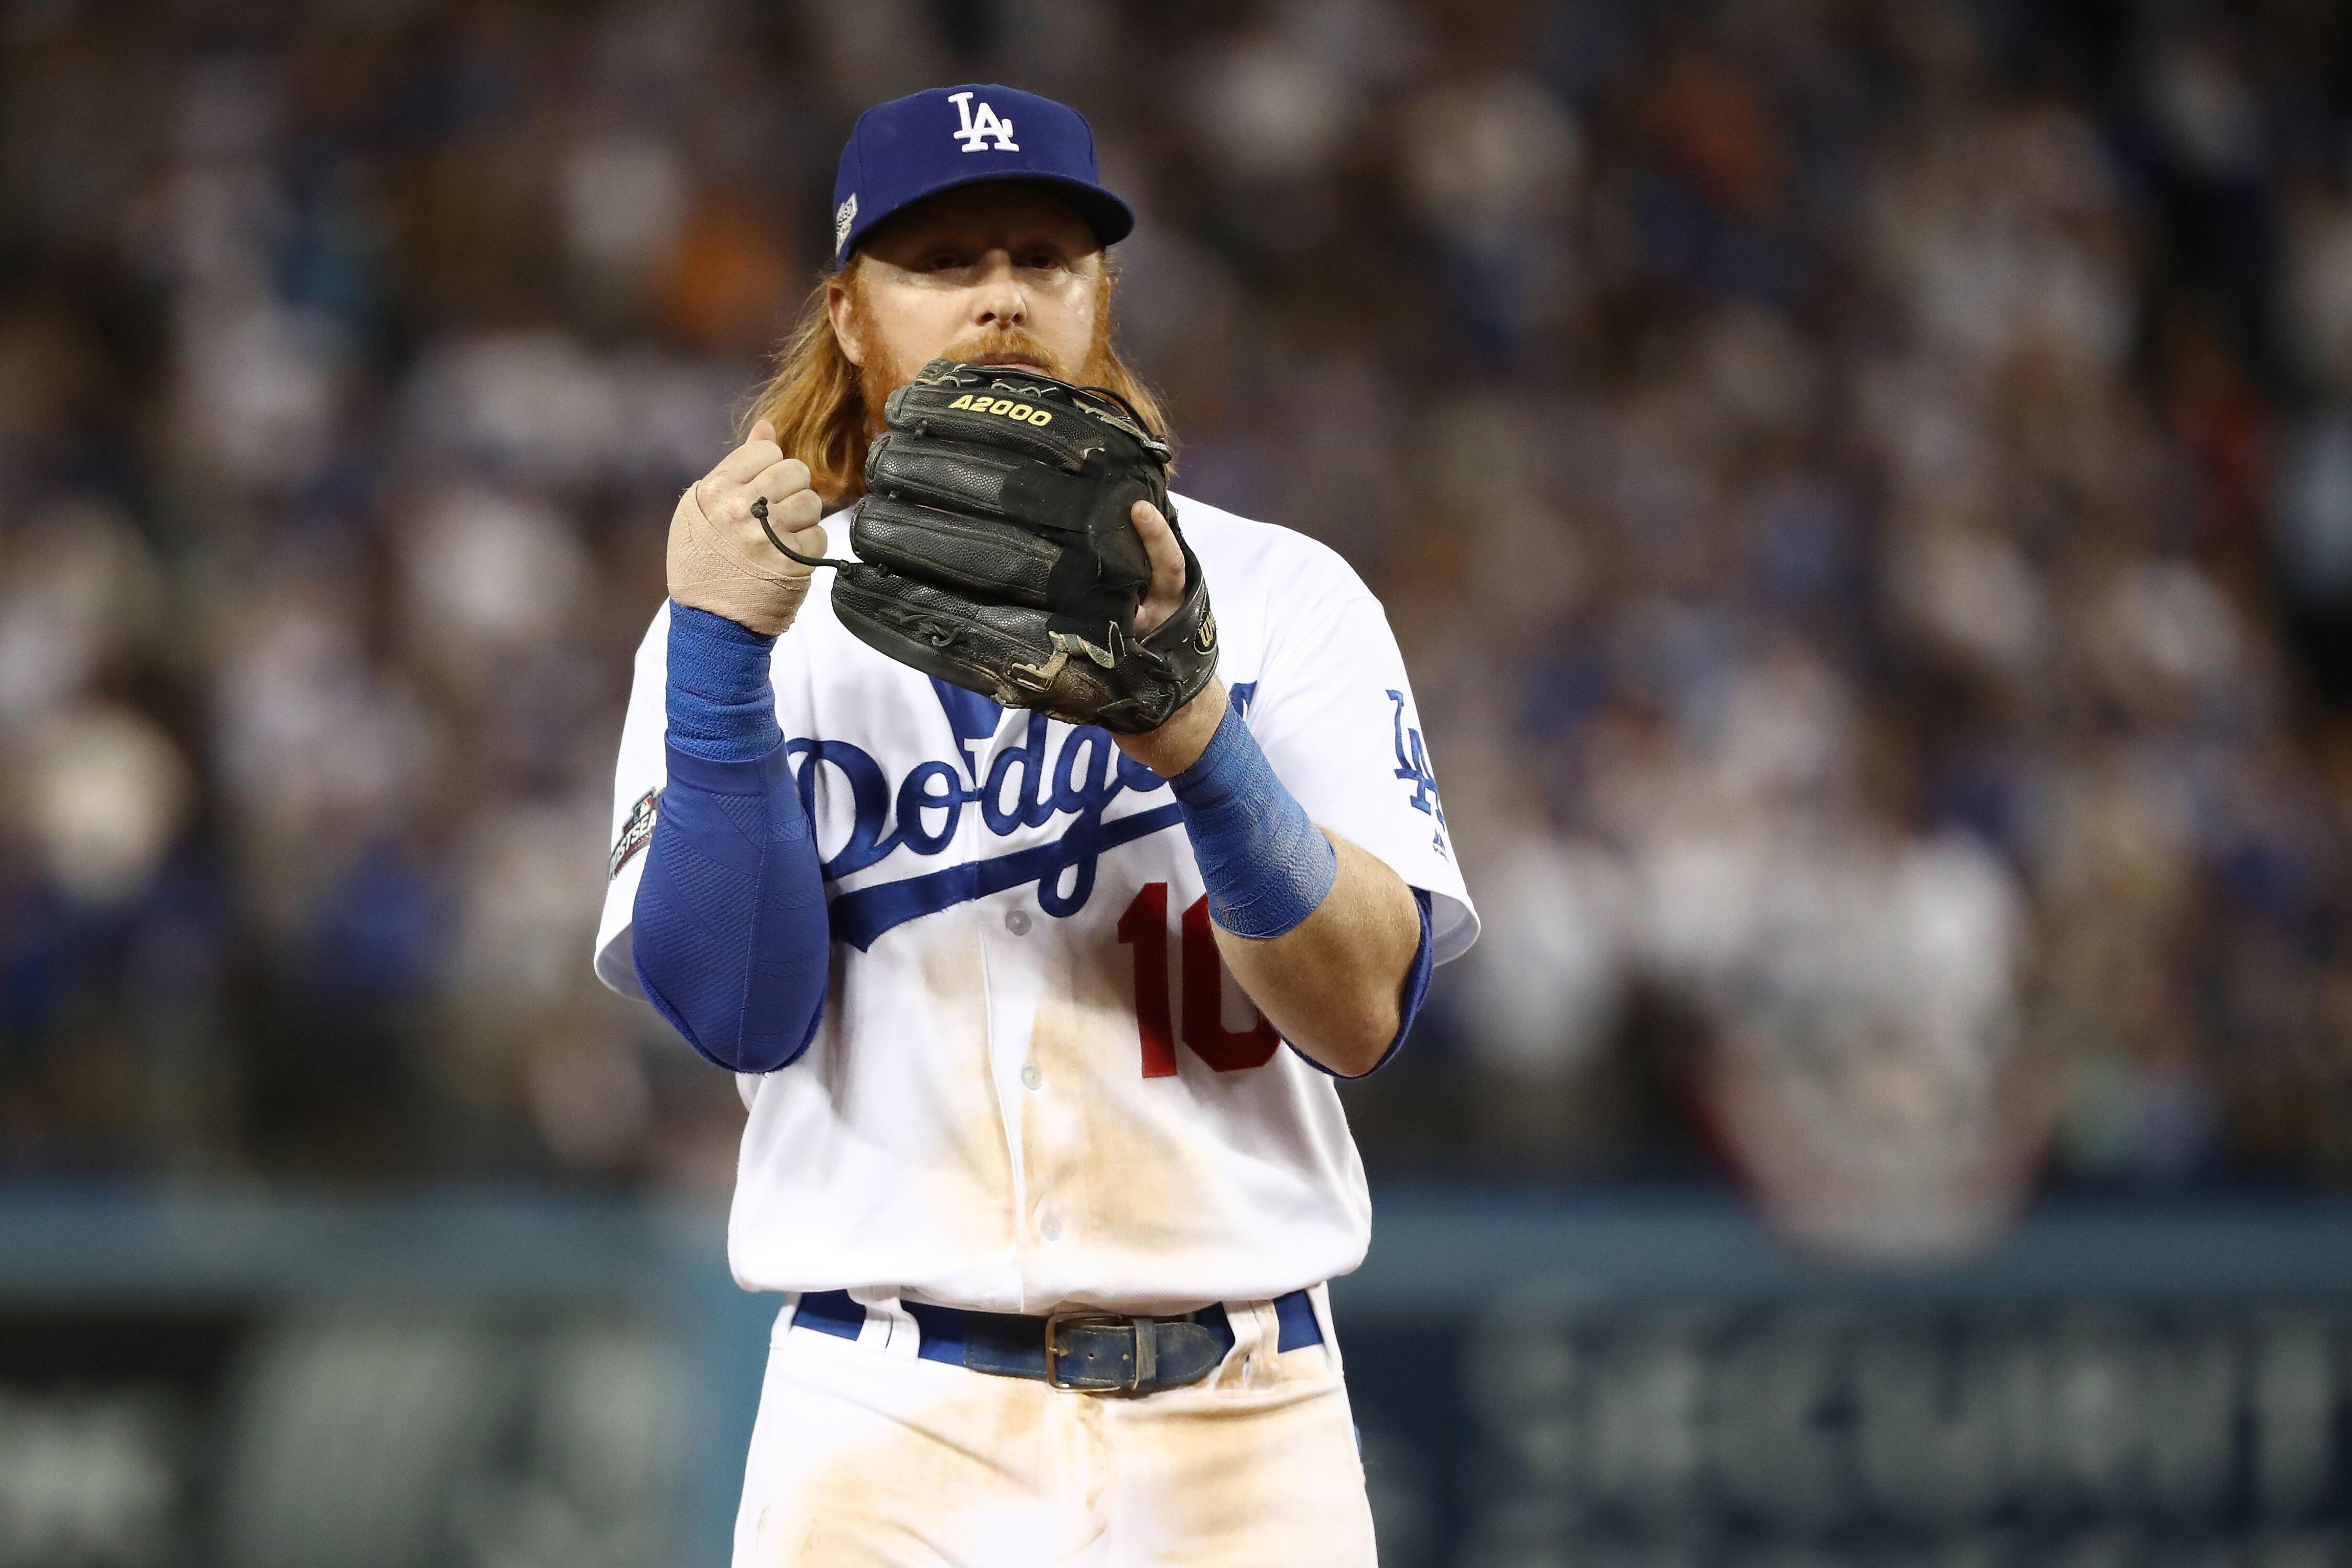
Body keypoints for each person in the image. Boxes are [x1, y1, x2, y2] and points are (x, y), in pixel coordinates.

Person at [593, 83, 1477, 1566]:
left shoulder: (1279, 600)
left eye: (1043, 258)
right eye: (942, 261)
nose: (1001, 295)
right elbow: (738, 1012)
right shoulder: (762, 615)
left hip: (1244, 1419)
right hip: (882, 1419)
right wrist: (716, 669)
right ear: (851, 313)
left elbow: (1366, 1010)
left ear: (1099, 296)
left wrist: (1196, 736)